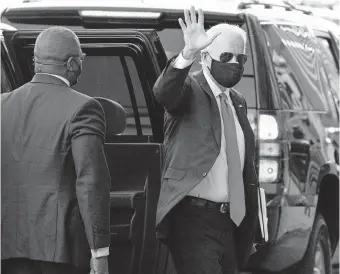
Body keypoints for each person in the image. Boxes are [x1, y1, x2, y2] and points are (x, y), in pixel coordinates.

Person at [154, 6, 259, 274]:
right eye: (225, 56)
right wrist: (186, 53)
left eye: (241, 58)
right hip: (194, 219)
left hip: (231, 221)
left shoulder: (237, 102)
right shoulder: (190, 88)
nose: (234, 64)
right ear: (205, 57)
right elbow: (165, 93)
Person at [1, 27, 111, 274]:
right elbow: (90, 181)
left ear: (35, 62)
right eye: (81, 59)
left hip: (6, 246)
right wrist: (100, 252)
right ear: (72, 64)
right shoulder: (84, 108)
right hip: (61, 250)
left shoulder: (2, 106)